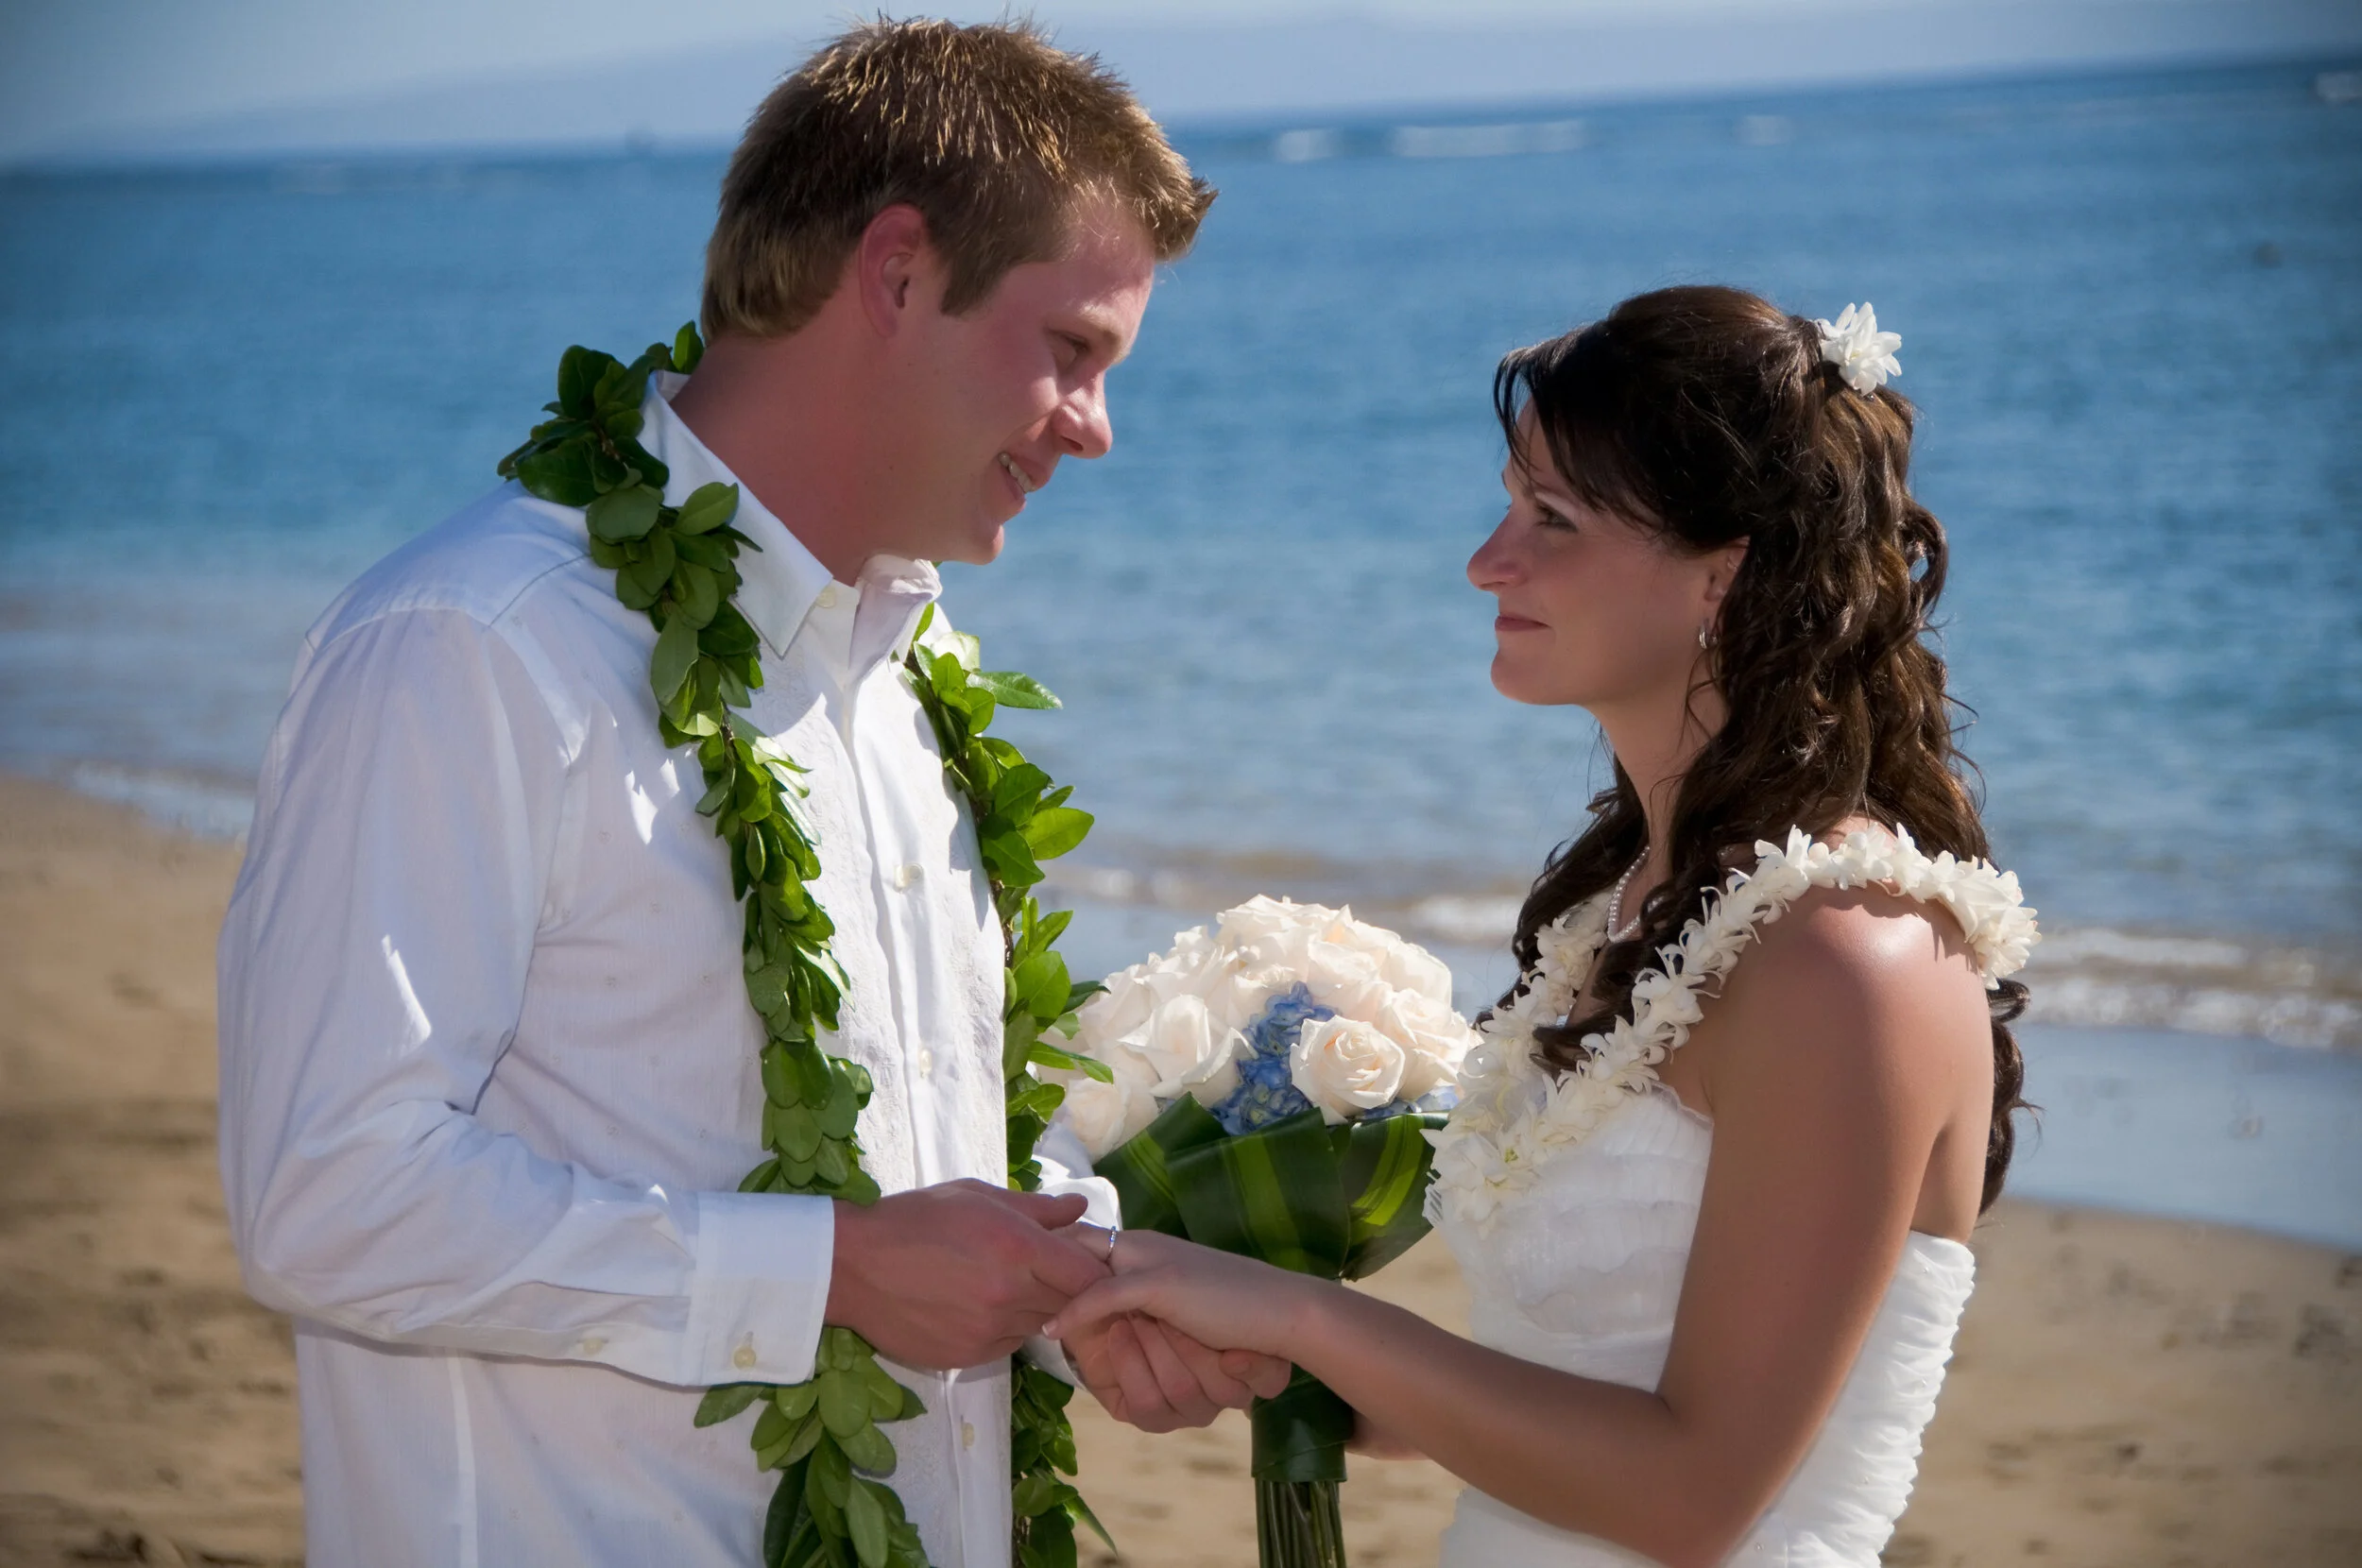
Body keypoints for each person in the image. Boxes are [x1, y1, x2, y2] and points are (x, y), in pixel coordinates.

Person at [216, 20, 1278, 1568]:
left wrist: (1079, 1287)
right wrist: (830, 1275)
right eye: (1072, 351)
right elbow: (327, 1197)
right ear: (900, 269)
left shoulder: (903, 674)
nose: (1096, 428)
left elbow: (883, 1149)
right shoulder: (476, 648)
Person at [1047, 285, 2039, 1567]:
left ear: (1722, 574)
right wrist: (1250, 1355)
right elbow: (1570, 1370)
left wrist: (1301, 1314)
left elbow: (1695, 1499)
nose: (1486, 561)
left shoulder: (1850, 955)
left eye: (1552, 520)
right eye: (1511, 505)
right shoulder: (1633, 908)